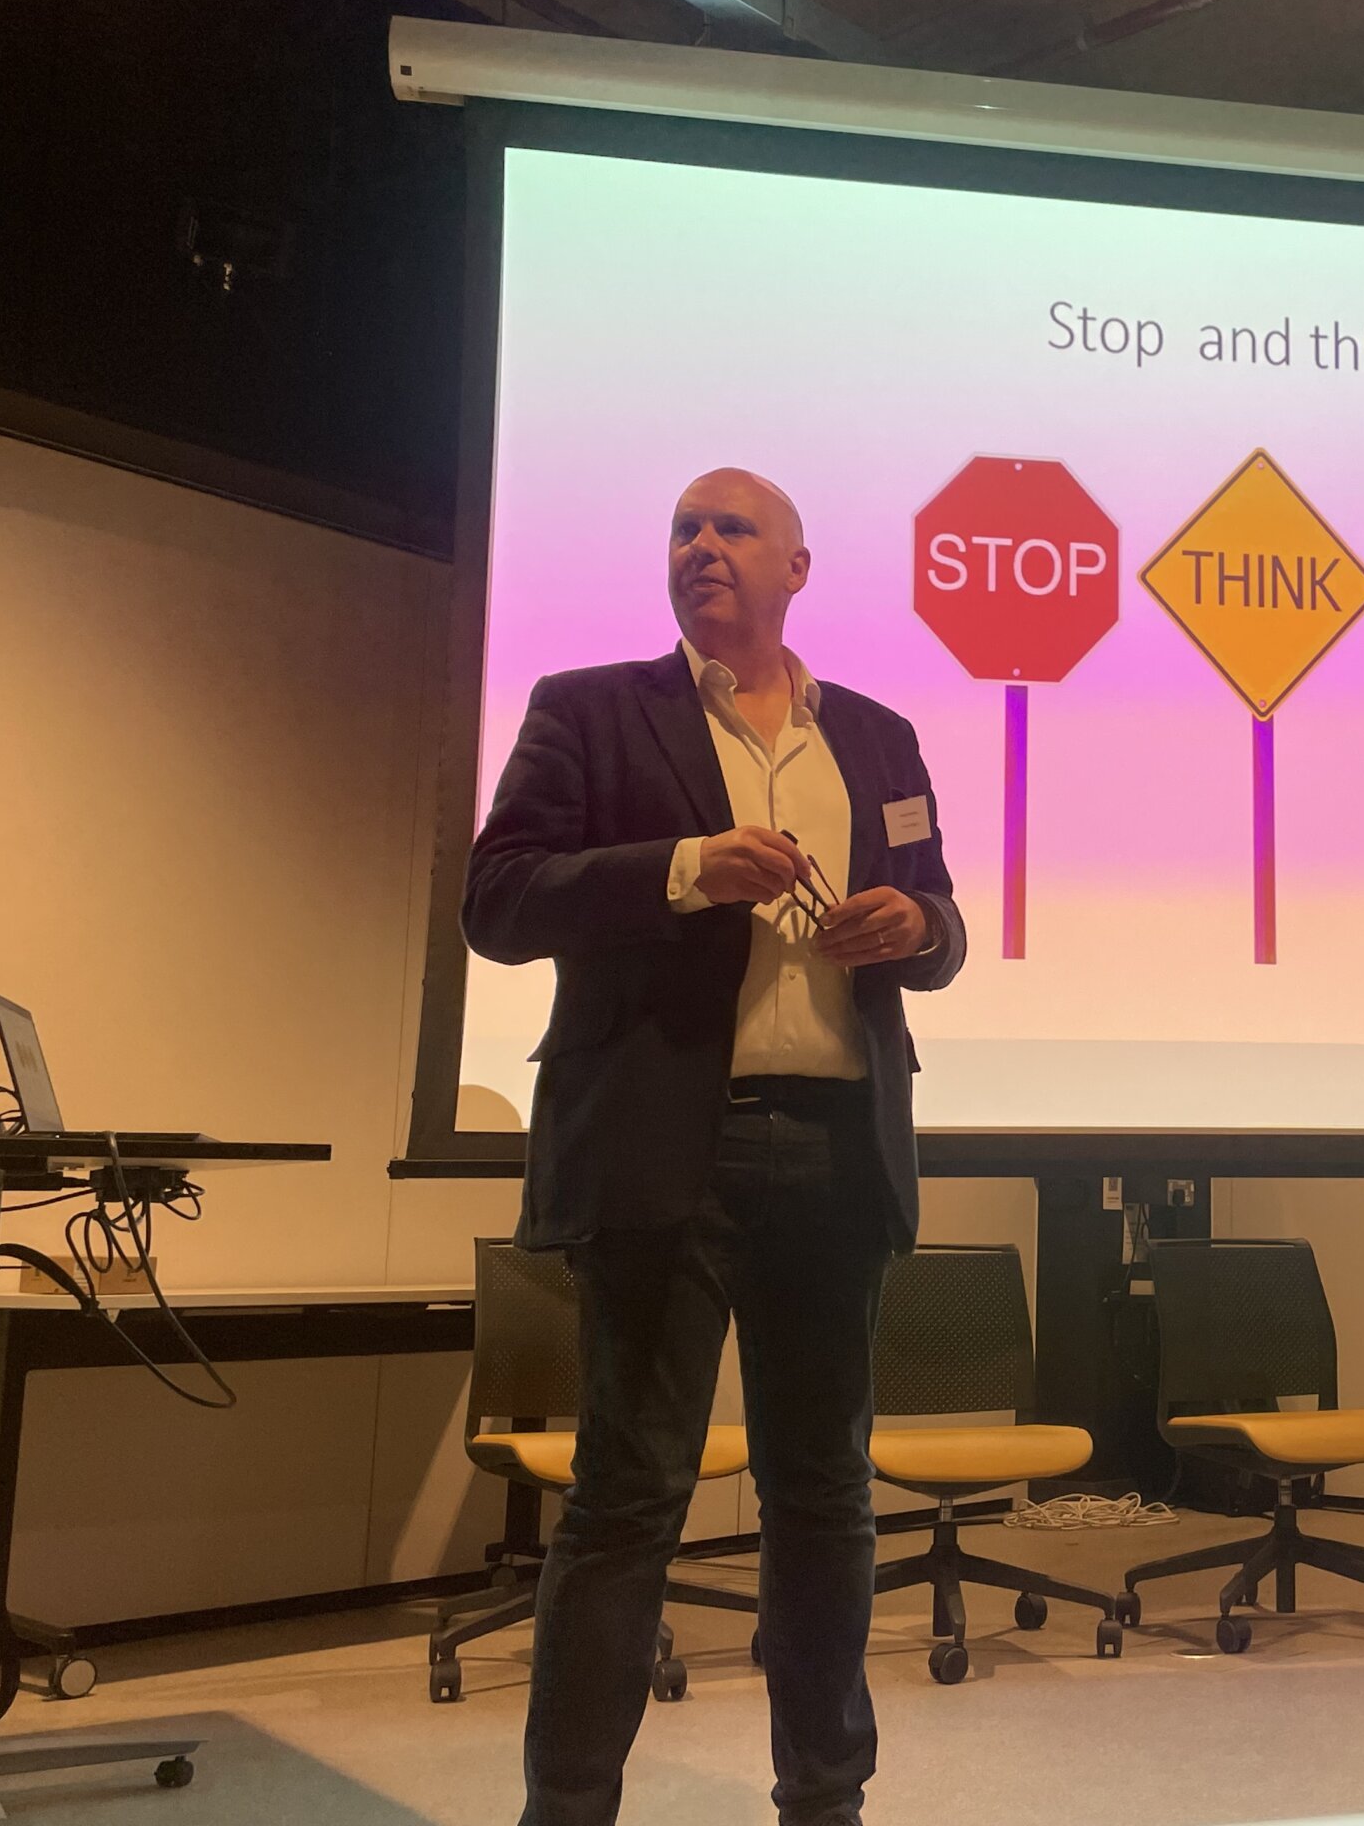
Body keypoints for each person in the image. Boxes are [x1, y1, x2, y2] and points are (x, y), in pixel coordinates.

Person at [464, 468, 965, 1826]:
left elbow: (944, 920)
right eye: (685, 528)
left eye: (732, 528)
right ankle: (566, 1808)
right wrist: (686, 867)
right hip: (658, 1154)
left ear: (800, 566)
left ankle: (826, 1797)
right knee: (629, 1497)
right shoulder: (589, 711)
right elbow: (498, 901)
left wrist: (911, 931)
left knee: (825, 1497)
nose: (702, 547)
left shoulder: (877, 735)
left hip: (835, 1151)